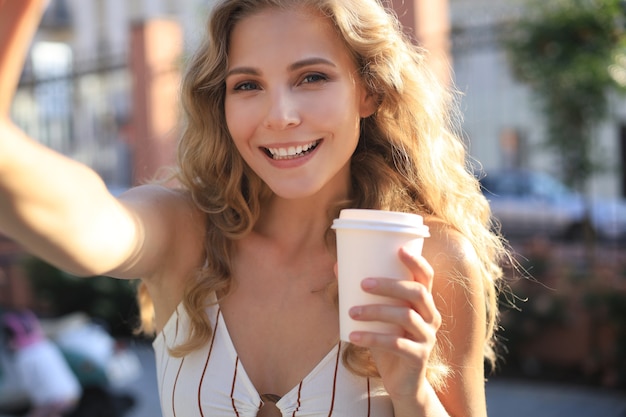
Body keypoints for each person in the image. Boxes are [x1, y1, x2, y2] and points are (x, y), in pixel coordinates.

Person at [0, 0, 511, 416]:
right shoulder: (184, 232)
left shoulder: (429, 258)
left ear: (369, 91)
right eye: (247, 85)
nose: (280, 116)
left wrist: (412, 392)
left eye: (312, 77)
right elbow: (86, 222)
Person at [1, 309, 81, 417]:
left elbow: (24, 387)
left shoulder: (23, 357)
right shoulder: (45, 345)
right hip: (73, 393)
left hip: (54, 401)